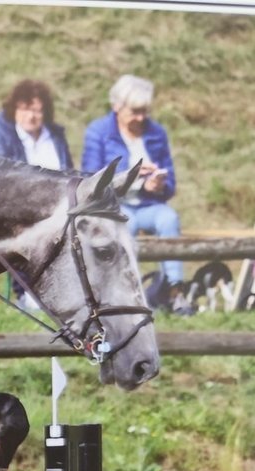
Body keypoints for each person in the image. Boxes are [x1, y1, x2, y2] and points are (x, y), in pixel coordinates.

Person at [82, 74, 192, 314]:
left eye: (145, 111)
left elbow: (171, 182)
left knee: (169, 219)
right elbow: (90, 184)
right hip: (114, 206)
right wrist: (132, 178)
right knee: (124, 228)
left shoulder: (157, 133)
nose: (141, 118)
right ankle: (125, 296)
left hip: (150, 206)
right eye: (135, 111)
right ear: (117, 107)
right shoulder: (98, 132)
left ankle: (176, 292)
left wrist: (158, 185)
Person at [0, 79, 72, 170]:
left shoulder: (57, 137)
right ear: (14, 110)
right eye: (25, 109)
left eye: (37, 111)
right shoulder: (0, 138)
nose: (30, 116)